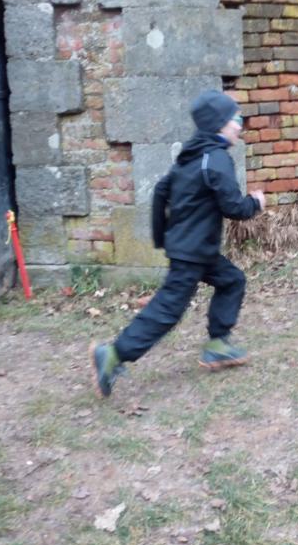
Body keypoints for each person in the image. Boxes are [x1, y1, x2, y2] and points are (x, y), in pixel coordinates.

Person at [91, 89, 266, 398]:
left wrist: (163, 238)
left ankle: (218, 344)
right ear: (220, 123)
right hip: (193, 252)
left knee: (232, 280)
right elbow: (233, 207)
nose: (240, 126)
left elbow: (161, 191)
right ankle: (114, 354)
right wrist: (255, 203)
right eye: (236, 119)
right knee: (168, 309)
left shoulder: (190, 158)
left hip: (194, 249)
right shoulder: (215, 159)